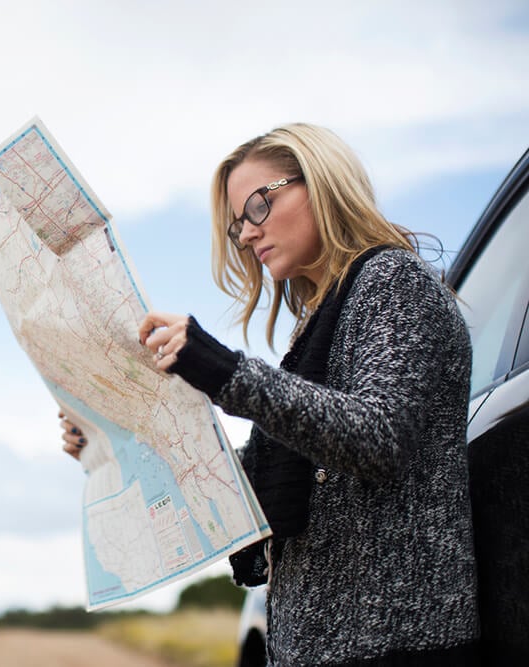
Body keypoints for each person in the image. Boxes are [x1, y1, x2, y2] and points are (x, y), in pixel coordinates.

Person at [61, 123, 480, 666]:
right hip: (317, 647)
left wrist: (221, 370)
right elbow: (256, 477)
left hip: (399, 645)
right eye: (238, 225)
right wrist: (114, 444)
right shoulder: (313, 330)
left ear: (321, 183)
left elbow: (378, 438)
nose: (247, 234)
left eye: (258, 206)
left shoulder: (393, 282)